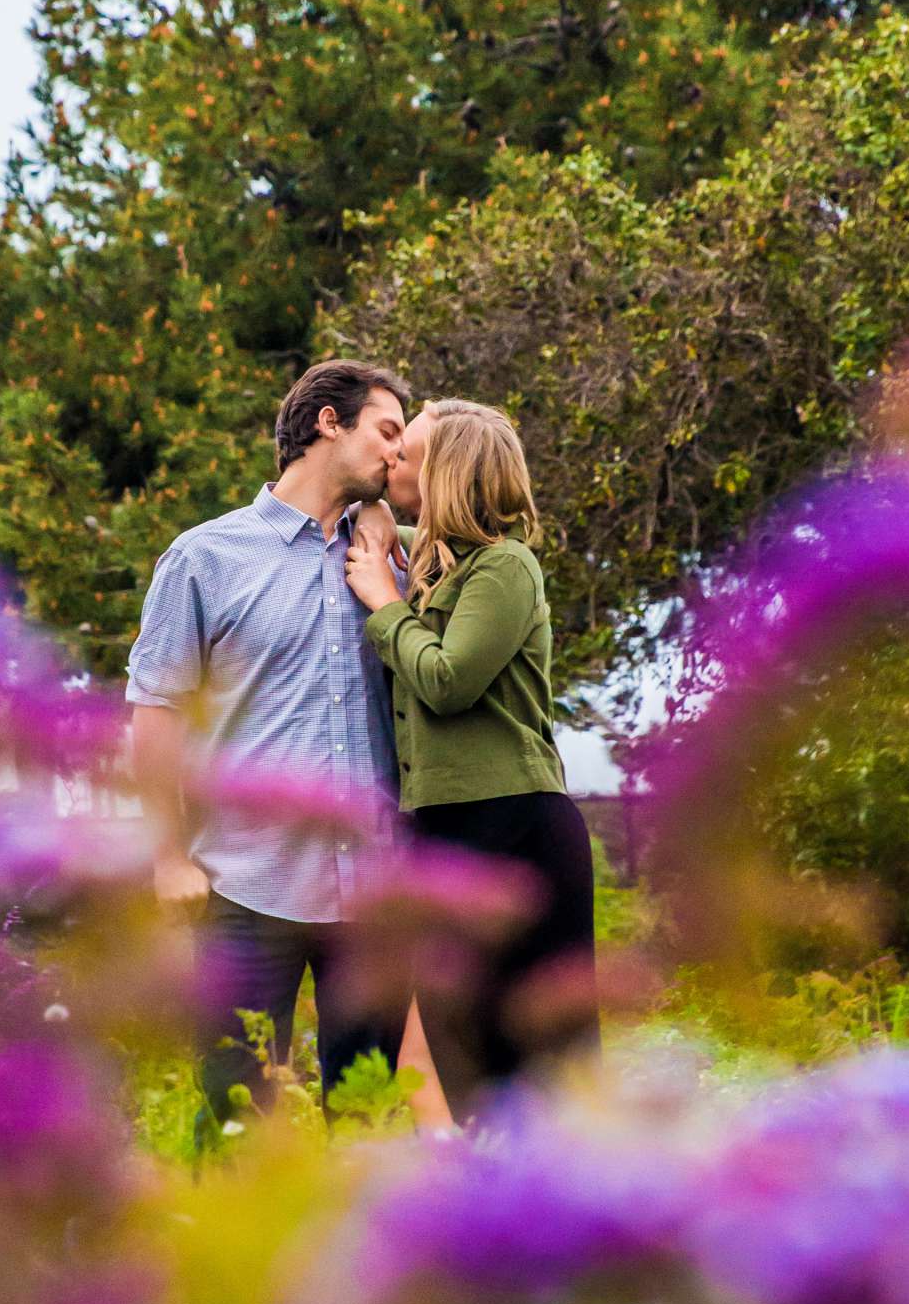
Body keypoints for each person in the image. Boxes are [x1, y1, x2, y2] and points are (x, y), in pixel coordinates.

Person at [126, 359, 412, 1126]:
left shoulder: (393, 562)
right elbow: (155, 717)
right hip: (245, 890)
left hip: (375, 896)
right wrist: (167, 855)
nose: (399, 454)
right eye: (387, 432)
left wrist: (387, 533)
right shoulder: (204, 559)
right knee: (236, 1123)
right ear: (328, 421)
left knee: (369, 1124)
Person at [345, 397, 598, 1114]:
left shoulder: (505, 568)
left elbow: (449, 681)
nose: (392, 460)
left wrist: (382, 603)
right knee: (466, 1048)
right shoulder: (438, 568)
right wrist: (371, 516)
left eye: (408, 454)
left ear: (448, 475)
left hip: (513, 826)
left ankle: (570, 1209)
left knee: (538, 1055)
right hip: (441, 829)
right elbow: (376, 527)